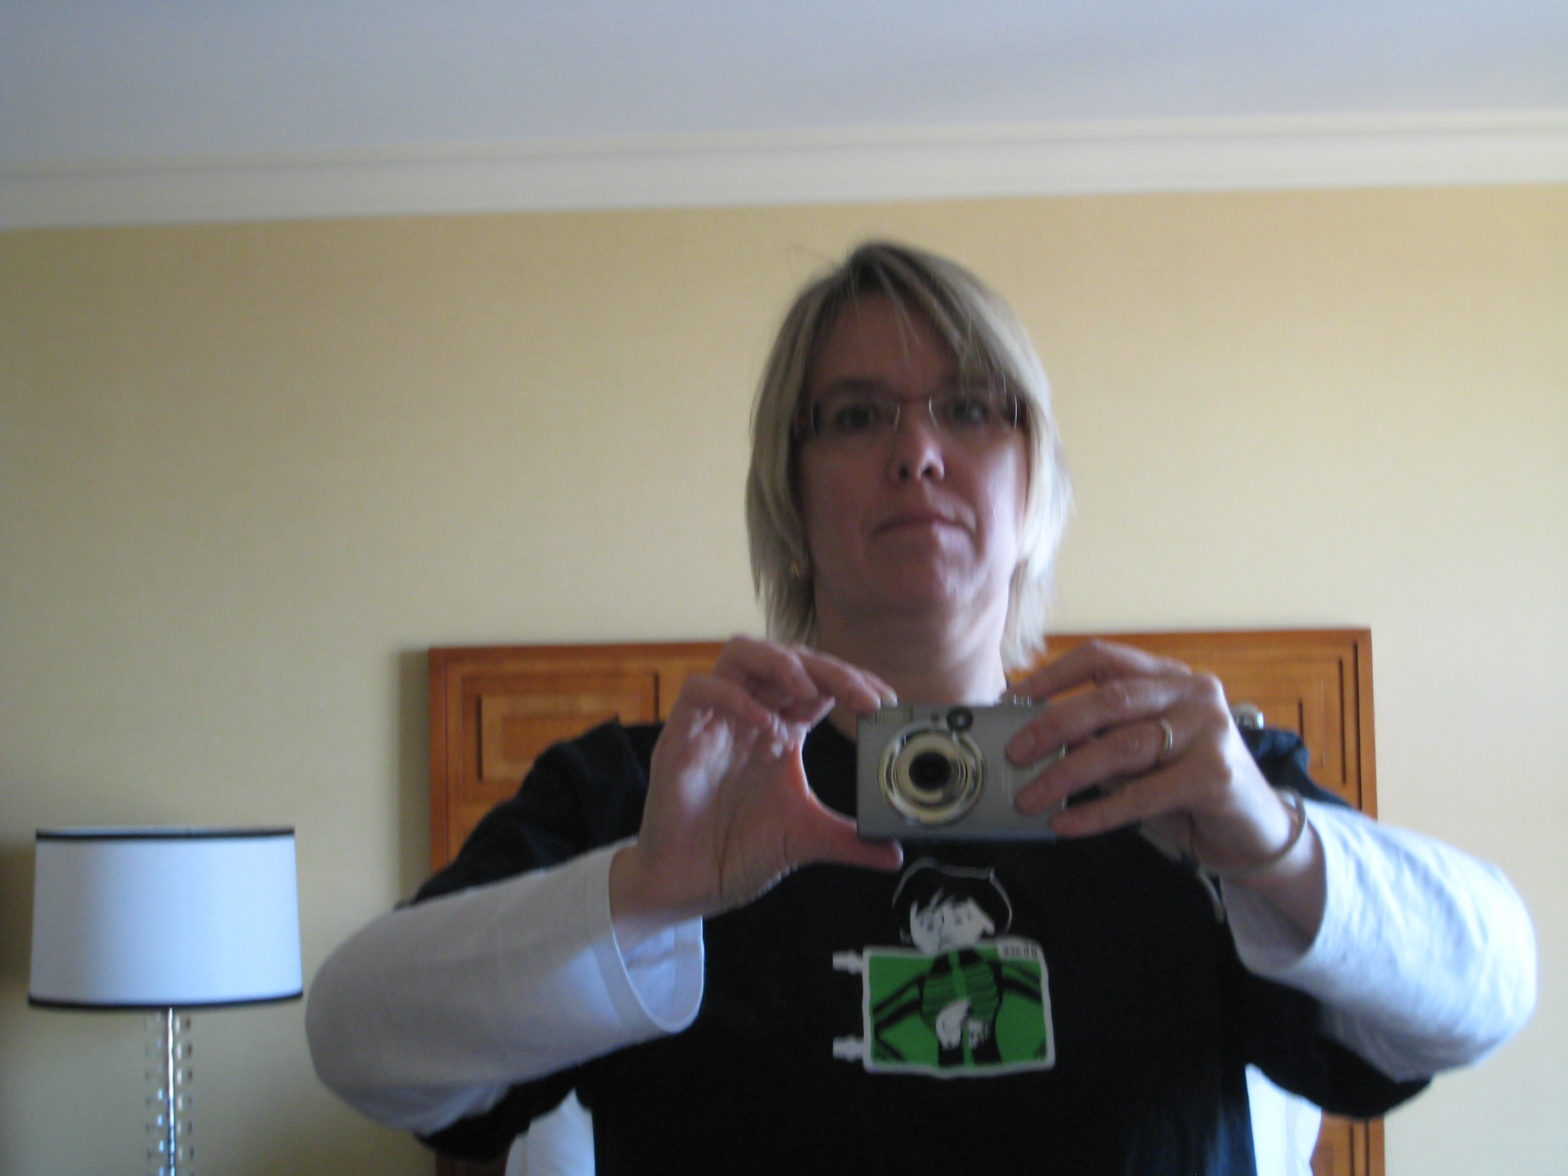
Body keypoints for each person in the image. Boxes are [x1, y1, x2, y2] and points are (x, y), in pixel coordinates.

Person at [307, 241, 1535, 1174]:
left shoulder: (1181, 774)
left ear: (1035, 476)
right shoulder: (647, 789)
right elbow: (357, 1042)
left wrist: (1271, 845)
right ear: (787, 488)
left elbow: (1493, 987)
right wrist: (646, 889)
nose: (917, 453)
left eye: (969, 408)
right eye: (855, 416)